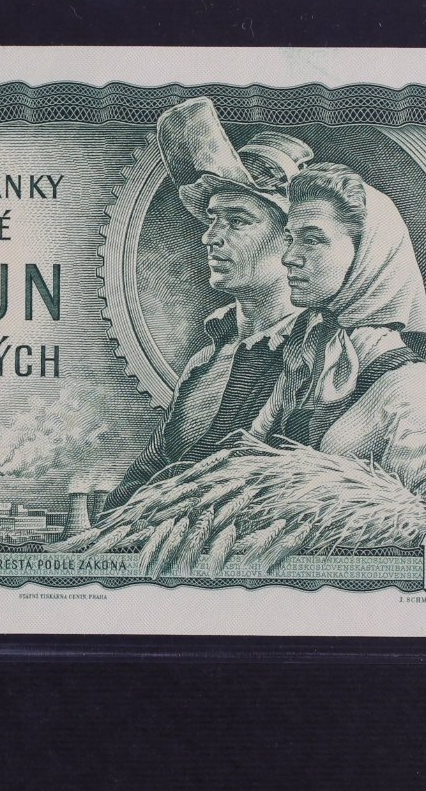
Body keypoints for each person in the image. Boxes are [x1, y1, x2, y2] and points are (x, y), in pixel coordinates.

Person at [250, 162, 426, 533]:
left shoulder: (409, 386)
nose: (289, 257)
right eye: (290, 239)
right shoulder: (308, 354)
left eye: (312, 239)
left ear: (368, 254)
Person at [104, 99, 315, 512]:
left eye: (237, 221)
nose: (210, 236)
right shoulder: (205, 362)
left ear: (290, 239)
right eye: (213, 219)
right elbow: (145, 477)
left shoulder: (327, 353)